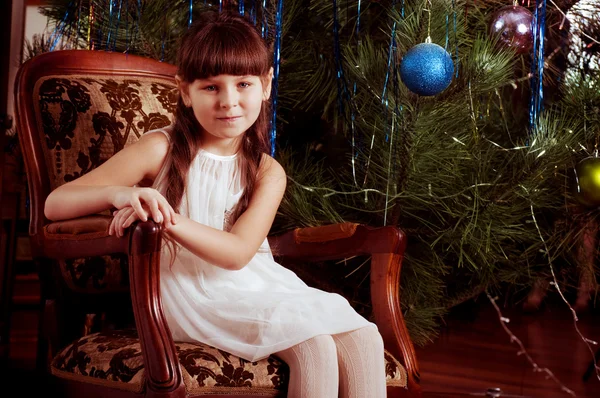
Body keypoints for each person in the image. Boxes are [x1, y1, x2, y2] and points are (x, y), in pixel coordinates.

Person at [44, 9, 386, 398]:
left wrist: (166, 217)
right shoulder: (162, 148)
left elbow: (239, 253)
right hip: (192, 295)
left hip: (257, 284)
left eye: (243, 83)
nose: (229, 101)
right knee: (315, 348)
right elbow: (56, 204)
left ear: (266, 85)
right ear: (185, 91)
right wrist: (120, 193)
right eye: (211, 87)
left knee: (364, 337)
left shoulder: (266, 171)